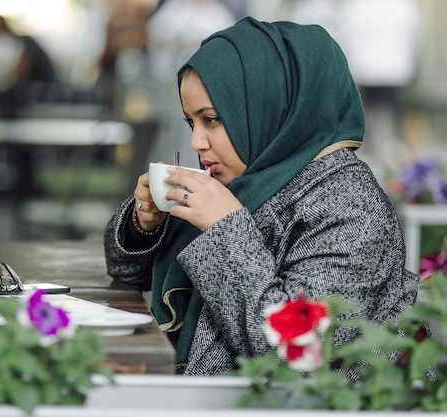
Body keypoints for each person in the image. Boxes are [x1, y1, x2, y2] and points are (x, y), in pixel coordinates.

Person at [103, 16, 418, 376]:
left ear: (270, 107)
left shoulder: (351, 208)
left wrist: (224, 228)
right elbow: (123, 272)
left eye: (212, 119)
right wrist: (144, 221)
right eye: (192, 122)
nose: (196, 142)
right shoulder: (247, 175)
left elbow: (297, 355)